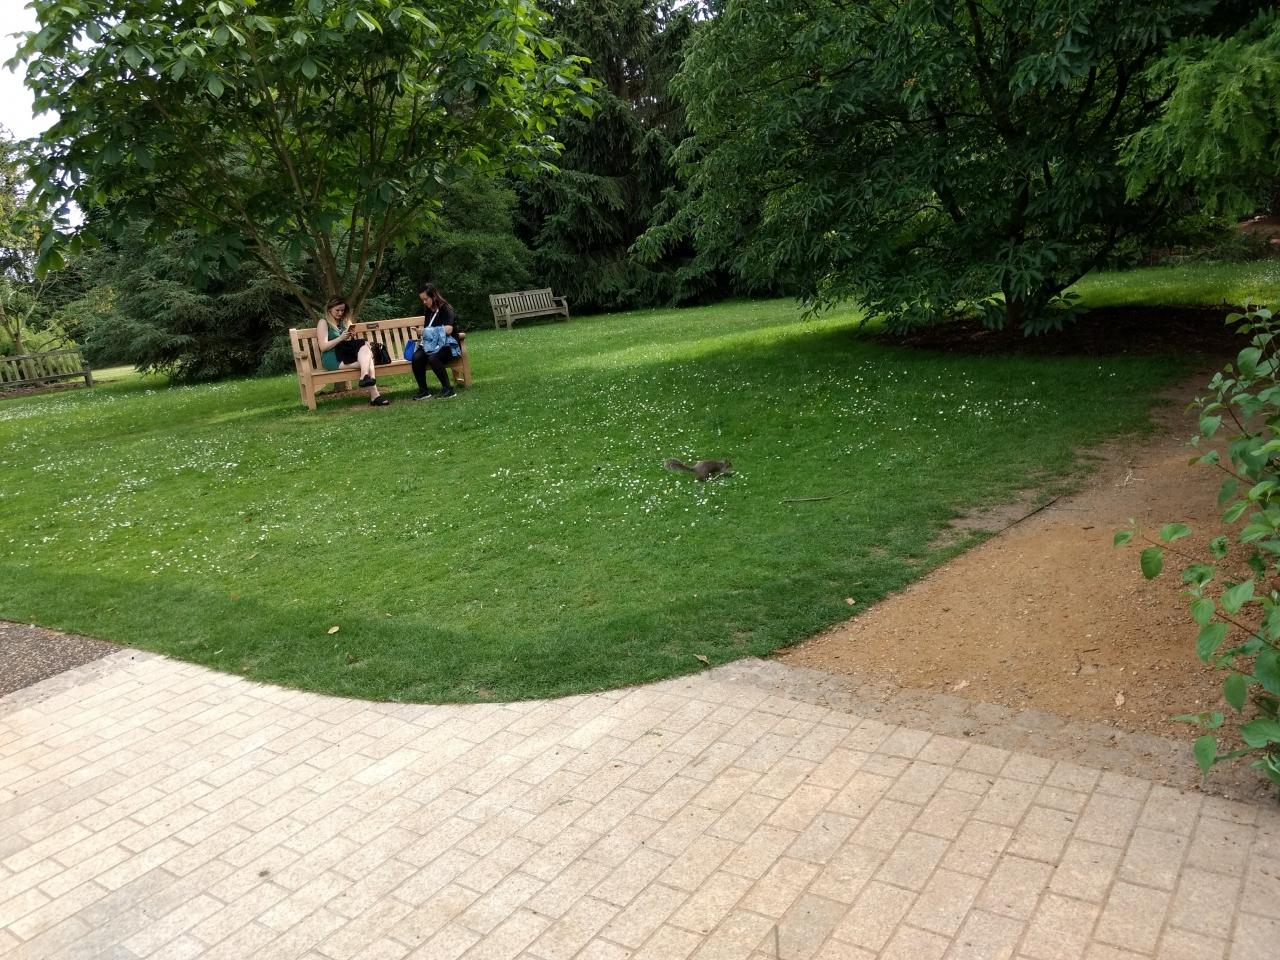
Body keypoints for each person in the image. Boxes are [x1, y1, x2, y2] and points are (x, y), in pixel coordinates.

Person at [316, 296, 390, 406]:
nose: (340, 313)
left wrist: (351, 336)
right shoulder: (323, 322)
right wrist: (340, 338)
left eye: (342, 310)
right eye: (337, 310)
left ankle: (365, 377)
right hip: (332, 357)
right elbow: (323, 347)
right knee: (367, 359)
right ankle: (373, 391)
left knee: (365, 347)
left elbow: (348, 344)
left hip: (346, 353)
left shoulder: (345, 321)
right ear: (330, 309)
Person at [411, 284, 462, 400]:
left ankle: (448, 389)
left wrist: (426, 332)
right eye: (422, 300)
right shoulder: (428, 311)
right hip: (432, 345)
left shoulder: (446, 308)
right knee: (416, 357)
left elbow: (449, 330)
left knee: (433, 358)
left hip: (447, 346)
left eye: (426, 299)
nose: (424, 302)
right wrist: (422, 332)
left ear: (433, 296)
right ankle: (424, 391)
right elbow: (428, 330)